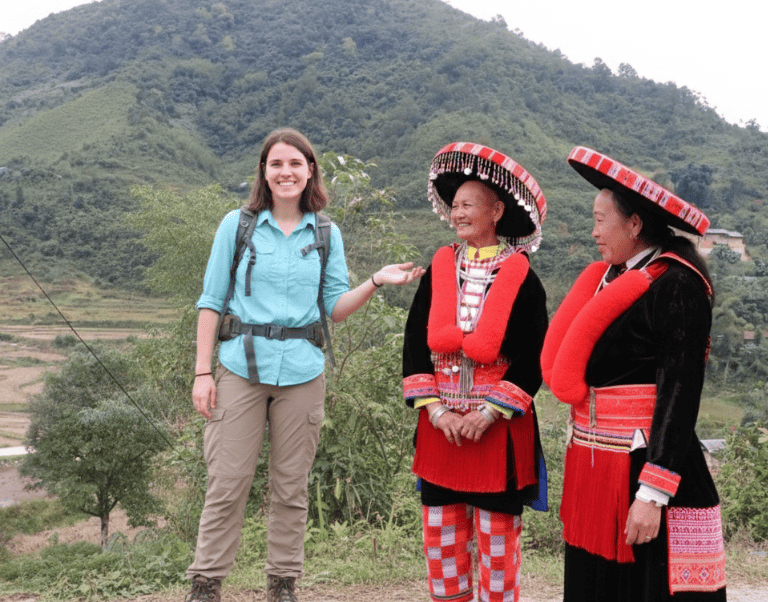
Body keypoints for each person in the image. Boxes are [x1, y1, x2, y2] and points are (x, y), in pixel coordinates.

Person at [185, 128, 424, 602]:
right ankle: (206, 583)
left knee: (291, 487)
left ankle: (282, 584)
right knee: (228, 482)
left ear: (310, 169)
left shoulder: (326, 233)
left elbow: (334, 305)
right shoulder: (238, 225)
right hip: (240, 366)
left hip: (302, 371)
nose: (286, 172)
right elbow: (211, 301)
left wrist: (375, 280)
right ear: (264, 172)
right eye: (276, 164)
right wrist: (202, 372)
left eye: (295, 163)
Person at [540, 146, 727, 601]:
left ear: (635, 223)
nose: (594, 231)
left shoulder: (677, 284)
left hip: (643, 465)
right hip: (595, 463)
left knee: (645, 588)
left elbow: (680, 391)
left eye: (601, 220)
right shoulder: (613, 276)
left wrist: (653, 493)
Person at [402, 142, 549, 602]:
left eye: (468, 205)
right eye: (455, 205)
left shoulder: (524, 278)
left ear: (497, 210)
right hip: (440, 428)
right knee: (441, 541)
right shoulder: (438, 271)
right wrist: (438, 413)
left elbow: (534, 355)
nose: (458, 213)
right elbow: (413, 345)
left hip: (496, 432)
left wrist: (486, 413)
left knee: (497, 545)